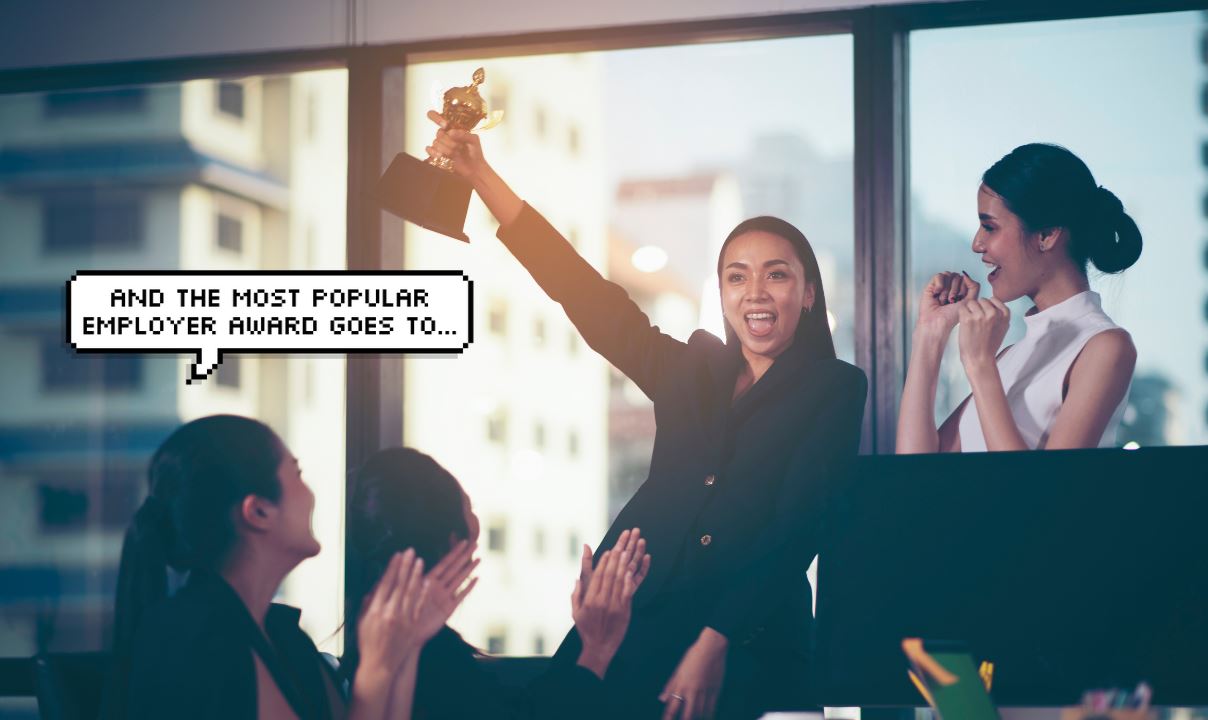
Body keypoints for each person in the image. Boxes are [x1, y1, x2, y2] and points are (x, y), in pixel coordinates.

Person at [424, 111, 867, 720]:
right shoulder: (690, 370)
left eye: (778, 275)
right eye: (737, 277)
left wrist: (715, 642)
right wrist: (481, 177)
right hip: (631, 616)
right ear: (722, 294)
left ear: (809, 292)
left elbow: (799, 529)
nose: (756, 292)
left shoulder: (834, 388)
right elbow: (584, 293)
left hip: (753, 640)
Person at [102, 415, 477, 720]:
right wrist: (376, 671)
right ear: (259, 511)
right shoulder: (192, 639)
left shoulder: (286, 639)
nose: (310, 493)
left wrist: (406, 645)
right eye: (296, 474)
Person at [345, 447, 651, 719]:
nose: (477, 528)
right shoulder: (433, 659)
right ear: (453, 541)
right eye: (469, 508)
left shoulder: (404, 645)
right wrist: (596, 648)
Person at [897, 143, 1141, 454]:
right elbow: (914, 472)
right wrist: (930, 335)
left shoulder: (1106, 347)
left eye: (989, 227)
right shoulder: (1008, 356)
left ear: (1047, 235)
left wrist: (980, 365)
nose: (977, 243)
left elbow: (1036, 495)